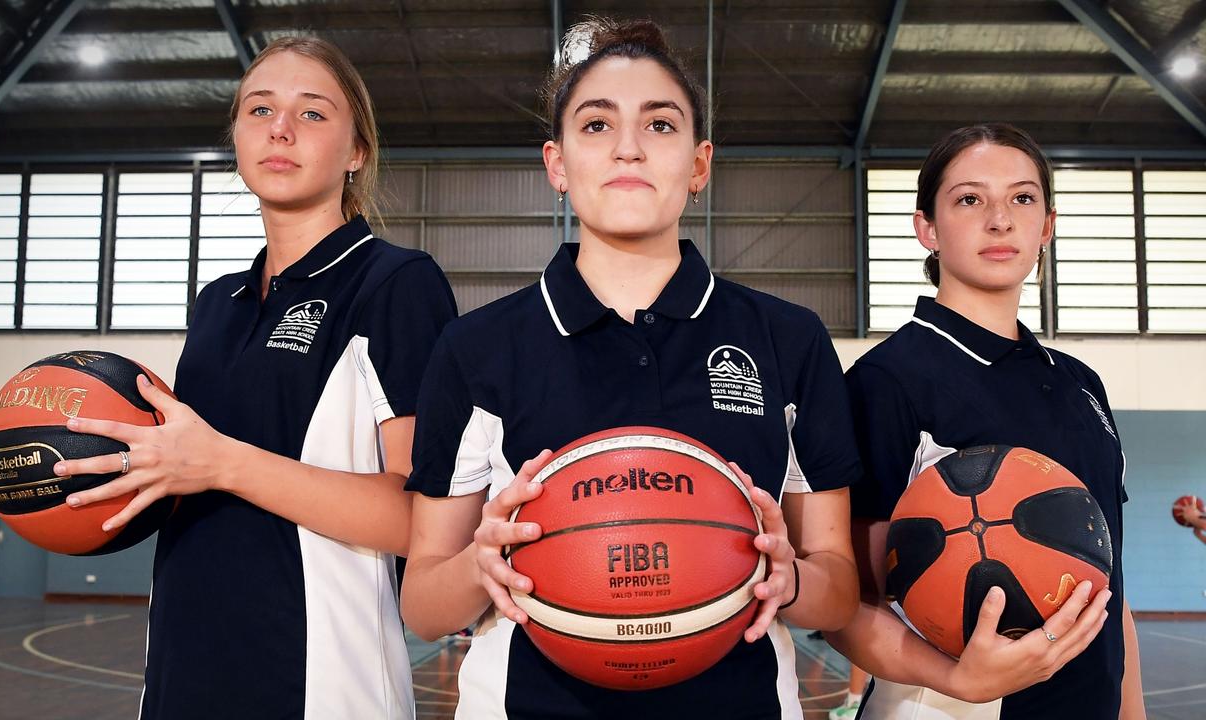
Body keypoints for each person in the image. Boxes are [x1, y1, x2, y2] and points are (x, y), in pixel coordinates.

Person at [400, 18, 861, 719]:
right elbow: (424, 607)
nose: (627, 147)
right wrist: (478, 564)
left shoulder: (787, 340)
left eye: (661, 125)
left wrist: (789, 580)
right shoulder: (476, 348)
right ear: (556, 164)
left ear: (700, 164)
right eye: (595, 125)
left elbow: (840, 586)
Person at [52, 37, 456, 719]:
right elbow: (187, 483)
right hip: (183, 677)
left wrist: (220, 463)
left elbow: (420, 522)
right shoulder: (219, 303)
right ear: (237, 138)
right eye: (259, 109)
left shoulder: (394, 283)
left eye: (313, 113)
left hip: (319, 686)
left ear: (357, 151)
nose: (281, 128)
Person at [825, 123, 1146, 719]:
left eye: (1022, 198)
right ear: (927, 228)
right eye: (970, 199)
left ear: (1046, 224)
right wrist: (959, 677)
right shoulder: (888, 381)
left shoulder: (1082, 384)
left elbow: (1109, 583)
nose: (1000, 220)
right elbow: (848, 606)